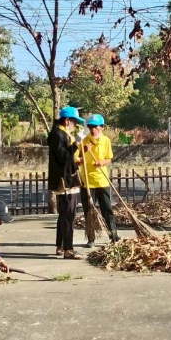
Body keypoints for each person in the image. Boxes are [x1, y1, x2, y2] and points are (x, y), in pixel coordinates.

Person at [48, 106, 86, 259]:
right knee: (68, 215)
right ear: (67, 121)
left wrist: (77, 159)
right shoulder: (58, 134)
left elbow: (68, 158)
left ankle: (60, 245)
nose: (75, 125)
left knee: (64, 215)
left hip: (68, 177)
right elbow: (63, 157)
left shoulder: (62, 133)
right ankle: (68, 249)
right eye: (74, 122)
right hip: (65, 181)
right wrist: (76, 144)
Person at [79, 113, 119, 248]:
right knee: (89, 211)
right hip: (87, 182)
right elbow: (77, 158)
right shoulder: (84, 141)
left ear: (102, 127)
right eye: (90, 127)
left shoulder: (106, 141)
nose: (93, 129)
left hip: (102, 181)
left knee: (107, 209)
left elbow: (109, 158)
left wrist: (102, 162)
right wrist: (83, 151)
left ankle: (113, 235)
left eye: (95, 127)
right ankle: (91, 238)